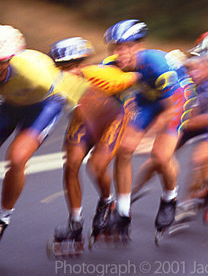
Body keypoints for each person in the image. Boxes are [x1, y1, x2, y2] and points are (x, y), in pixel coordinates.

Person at [0, 25, 117, 260]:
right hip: (5, 102)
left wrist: (101, 128)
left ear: (8, 61)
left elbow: (80, 98)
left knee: (17, 159)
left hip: (43, 104)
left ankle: (2, 218)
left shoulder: (35, 72)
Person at [46, 37, 139, 254]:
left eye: (76, 65)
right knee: (71, 165)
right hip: (84, 120)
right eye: (65, 67)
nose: (72, 71)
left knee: (96, 166)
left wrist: (137, 75)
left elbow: (129, 78)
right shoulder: (53, 80)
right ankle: (75, 222)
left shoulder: (102, 75)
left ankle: (107, 202)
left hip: (112, 119)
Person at [103, 19, 191, 240]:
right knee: (123, 149)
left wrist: (151, 135)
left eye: (124, 48)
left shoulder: (157, 64)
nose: (118, 53)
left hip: (175, 100)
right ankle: (123, 212)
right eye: (115, 48)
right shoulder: (112, 64)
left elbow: (170, 110)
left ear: (138, 48)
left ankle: (170, 198)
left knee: (160, 157)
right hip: (147, 99)